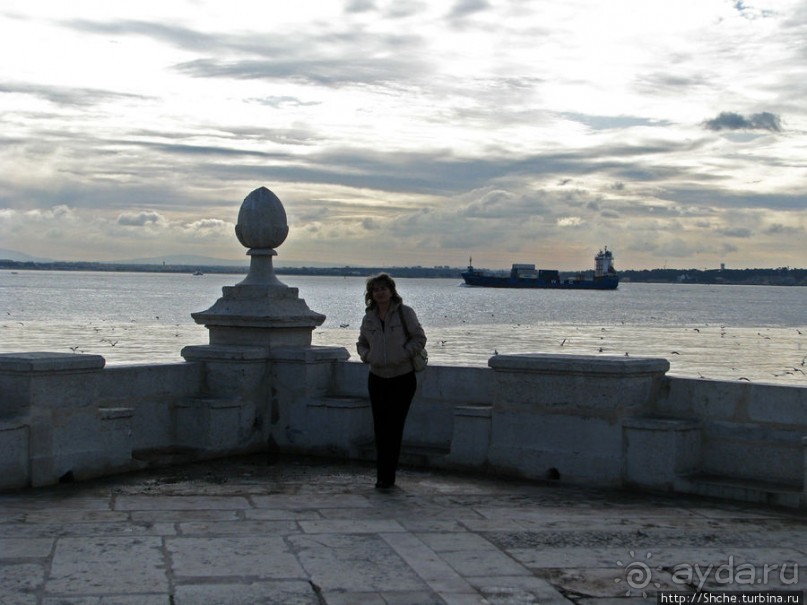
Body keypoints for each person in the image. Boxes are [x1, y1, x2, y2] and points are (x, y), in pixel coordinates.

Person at [356, 273, 427, 490]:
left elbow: (420, 338)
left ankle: (389, 476)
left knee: (394, 428)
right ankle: (381, 477)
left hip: (402, 378)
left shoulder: (405, 313)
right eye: (376, 290)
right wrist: (367, 356)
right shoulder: (369, 317)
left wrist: (404, 354)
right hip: (376, 377)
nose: (380, 293)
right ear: (372, 294)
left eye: (383, 289)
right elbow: (361, 343)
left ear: (391, 290)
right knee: (380, 428)